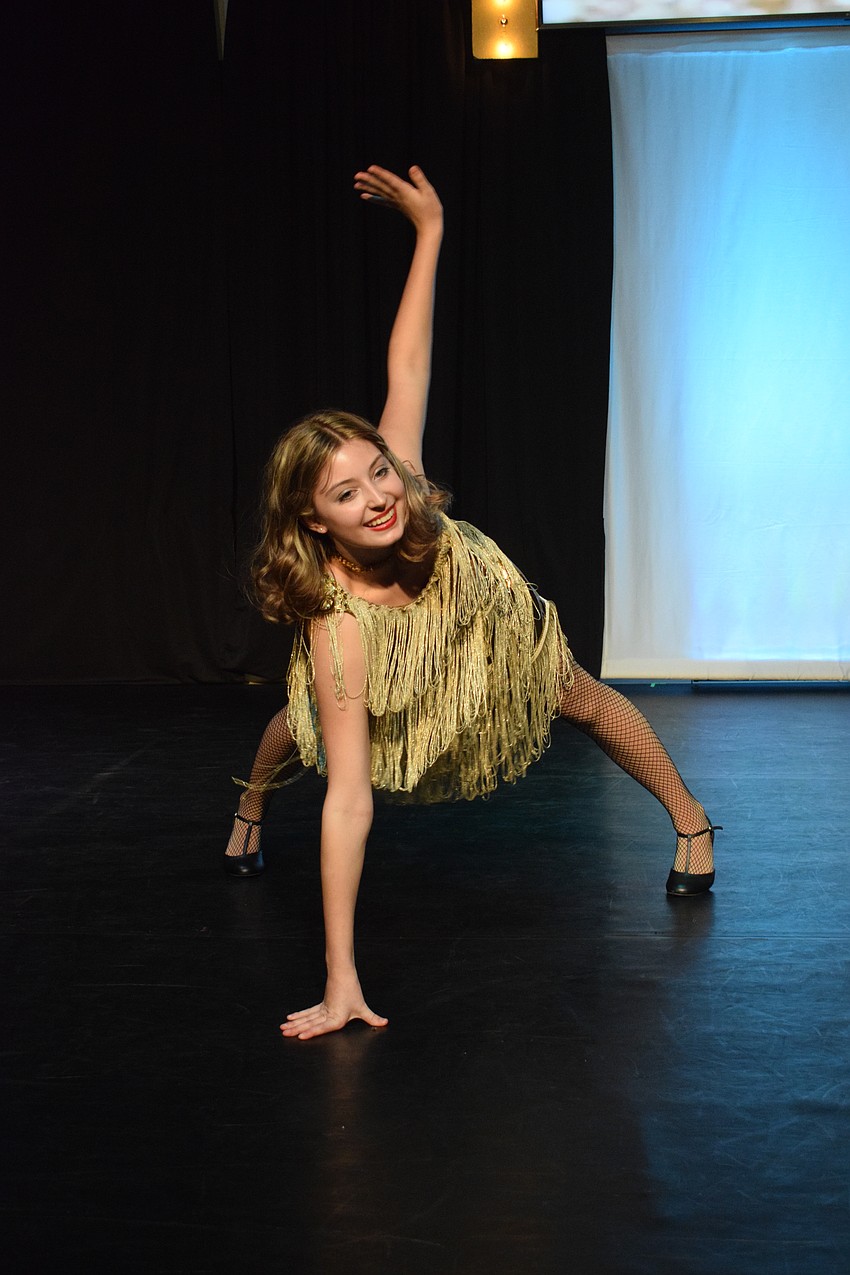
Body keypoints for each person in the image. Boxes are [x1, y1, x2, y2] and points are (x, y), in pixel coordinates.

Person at [223, 164, 720, 1041]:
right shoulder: (336, 626)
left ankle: (693, 825)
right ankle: (249, 809)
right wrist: (341, 977)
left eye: (378, 470)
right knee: (304, 728)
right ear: (313, 518)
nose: (378, 495)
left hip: (474, 615)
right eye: (347, 495)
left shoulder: (401, 484)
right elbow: (348, 801)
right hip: (382, 644)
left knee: (584, 700)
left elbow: (406, 361)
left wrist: (430, 231)